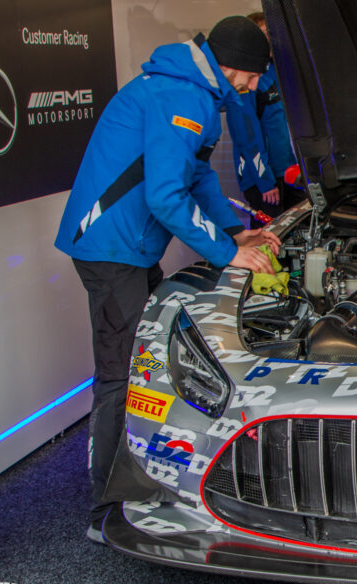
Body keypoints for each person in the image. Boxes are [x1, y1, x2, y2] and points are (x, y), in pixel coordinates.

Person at [55, 16, 282, 541]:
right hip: (112, 250)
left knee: (142, 363)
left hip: (129, 246)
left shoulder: (198, 91)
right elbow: (165, 195)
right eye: (250, 78)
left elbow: (198, 173)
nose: (252, 88)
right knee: (121, 378)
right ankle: (108, 508)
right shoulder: (181, 95)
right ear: (231, 67)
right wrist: (229, 254)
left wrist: (234, 231)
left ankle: (144, 475)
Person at [227, 11, 298, 217]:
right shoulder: (246, 79)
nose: (269, 40)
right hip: (264, 180)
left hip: (287, 173)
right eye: (264, 34)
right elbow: (246, 135)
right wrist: (265, 182)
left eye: (271, 34)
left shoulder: (276, 71)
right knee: (267, 240)